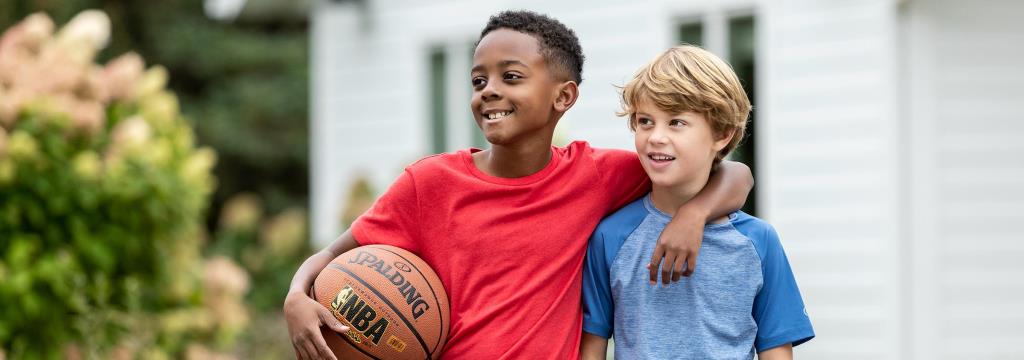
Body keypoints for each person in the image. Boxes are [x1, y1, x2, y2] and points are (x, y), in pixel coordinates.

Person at [286, 12, 754, 360]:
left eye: (511, 77)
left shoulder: (597, 175)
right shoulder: (429, 184)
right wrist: (296, 296)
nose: (488, 89)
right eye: (478, 79)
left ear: (563, 96)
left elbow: (732, 173)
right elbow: (332, 256)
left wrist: (694, 215)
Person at [579, 45, 814, 360]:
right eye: (645, 121)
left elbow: (775, 348)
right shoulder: (611, 236)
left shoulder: (758, 241)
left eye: (676, 122)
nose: (655, 137)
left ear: (722, 134)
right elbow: (592, 345)